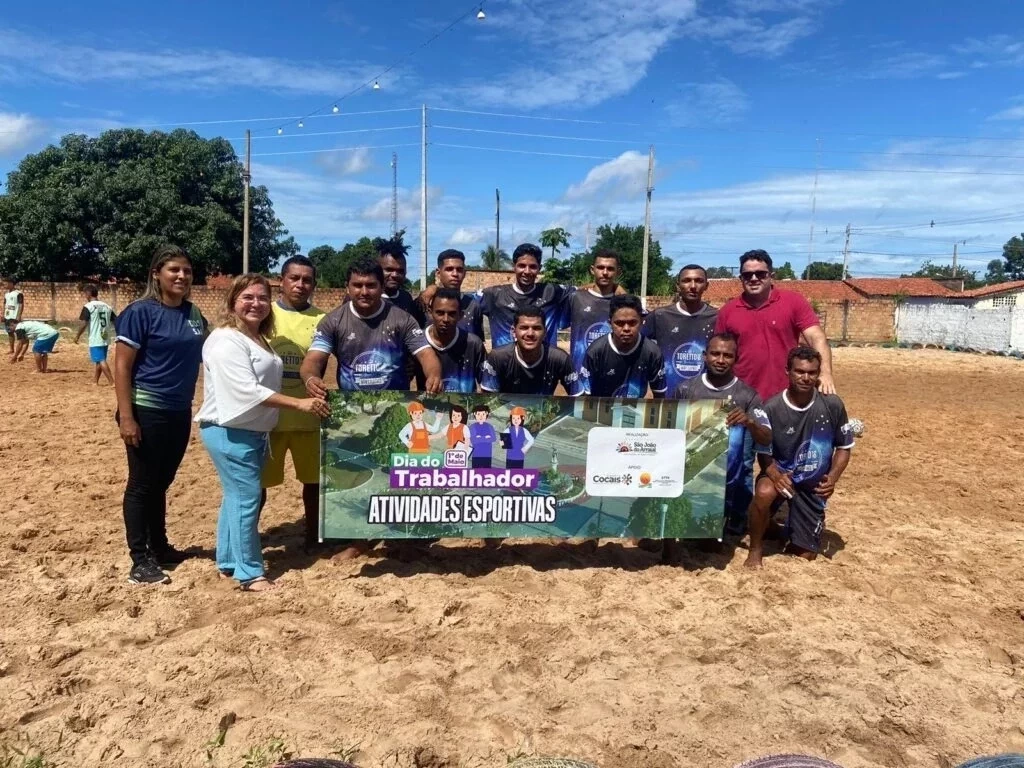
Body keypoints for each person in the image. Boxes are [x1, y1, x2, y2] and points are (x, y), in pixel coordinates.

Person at [196, 274, 331, 592]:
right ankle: (251, 573)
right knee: (247, 500)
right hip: (231, 430)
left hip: (250, 431)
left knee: (235, 498)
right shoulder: (226, 339)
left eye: (261, 298)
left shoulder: (255, 337)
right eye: (247, 297)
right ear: (232, 300)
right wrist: (300, 405)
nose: (255, 303)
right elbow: (247, 390)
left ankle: (228, 562)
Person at [114, 245, 207, 585]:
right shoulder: (140, 312)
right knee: (141, 484)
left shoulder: (194, 315)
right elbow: (122, 365)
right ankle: (140, 560)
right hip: (146, 409)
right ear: (157, 273)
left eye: (187, 271)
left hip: (178, 410)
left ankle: (161, 547)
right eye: (174, 270)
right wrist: (127, 416)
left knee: (161, 483)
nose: (182, 276)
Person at [745, 346, 854, 569]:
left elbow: (844, 447)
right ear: (788, 371)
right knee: (764, 492)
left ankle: (784, 530)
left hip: (812, 485)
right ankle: (755, 550)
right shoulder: (772, 407)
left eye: (812, 373)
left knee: (804, 554)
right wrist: (775, 475)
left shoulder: (832, 405)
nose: (805, 377)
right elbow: (764, 454)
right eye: (799, 371)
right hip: (782, 476)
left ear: (818, 374)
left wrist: (832, 477)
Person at [300, 256, 442, 396]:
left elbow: (426, 354)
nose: (364, 292)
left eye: (371, 285)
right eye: (357, 285)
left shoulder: (403, 319)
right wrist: (311, 378)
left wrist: (433, 375)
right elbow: (313, 360)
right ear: (347, 288)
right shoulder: (332, 321)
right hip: (351, 406)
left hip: (396, 404)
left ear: (381, 287)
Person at [259, 255, 326, 552]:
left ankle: (313, 537)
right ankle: (249, 538)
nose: (300, 284)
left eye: (307, 280)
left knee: (314, 484)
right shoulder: (263, 314)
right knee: (256, 487)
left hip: (308, 417)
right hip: (267, 417)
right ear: (282, 280)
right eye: (294, 278)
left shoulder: (323, 319)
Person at [674, 333, 771, 535]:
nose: (720, 360)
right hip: (690, 478)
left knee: (714, 545)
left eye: (727, 355)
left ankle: (732, 520)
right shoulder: (685, 389)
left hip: (728, 483)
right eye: (715, 353)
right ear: (704, 356)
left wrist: (750, 422)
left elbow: (766, 437)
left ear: (736, 358)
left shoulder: (747, 395)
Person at [715, 249, 835, 401]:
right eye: (747, 275)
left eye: (760, 274)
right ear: (741, 279)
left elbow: (816, 337)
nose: (753, 278)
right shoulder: (728, 311)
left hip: (787, 397)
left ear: (771, 277)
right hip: (742, 397)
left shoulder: (793, 302)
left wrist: (825, 373)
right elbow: (719, 353)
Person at [475, 243, 572, 347]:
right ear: (514, 267)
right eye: (522, 266)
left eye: (532, 267)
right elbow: (462, 304)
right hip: (505, 362)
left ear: (540, 268)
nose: (527, 271)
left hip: (544, 362)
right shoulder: (494, 295)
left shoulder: (552, 292)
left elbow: (585, 292)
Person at [642, 265, 718, 395]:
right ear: (678, 285)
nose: (693, 286)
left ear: (706, 286)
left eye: (699, 281)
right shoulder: (660, 316)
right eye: (686, 280)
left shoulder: (717, 317)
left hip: (704, 398)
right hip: (667, 397)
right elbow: (637, 347)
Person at [480, 307, 582, 396]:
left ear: (545, 332)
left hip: (542, 415)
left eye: (537, 328)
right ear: (513, 331)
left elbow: (579, 397)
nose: (530, 333)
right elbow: (487, 401)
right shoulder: (497, 357)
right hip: (506, 416)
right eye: (524, 328)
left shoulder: (560, 359)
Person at [581, 294, 667, 398]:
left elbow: (659, 396)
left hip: (635, 411)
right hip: (602, 412)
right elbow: (585, 397)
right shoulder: (595, 352)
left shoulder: (653, 353)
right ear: (610, 323)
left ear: (641, 322)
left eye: (632, 323)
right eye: (619, 323)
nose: (626, 328)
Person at [414, 288, 485, 393]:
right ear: (430, 313)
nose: (446, 319)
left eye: (452, 314)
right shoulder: (417, 342)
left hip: (464, 407)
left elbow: (487, 385)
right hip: (428, 407)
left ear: (460, 315)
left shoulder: (473, 344)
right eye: (440, 313)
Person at [568, 249, 625, 370]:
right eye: (600, 267)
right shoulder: (575, 298)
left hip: (612, 373)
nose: (605, 272)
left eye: (610, 269)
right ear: (592, 270)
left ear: (618, 272)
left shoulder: (624, 303)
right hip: (579, 374)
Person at [423, 249, 484, 337]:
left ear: (464, 273)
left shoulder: (473, 306)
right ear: (438, 273)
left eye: (459, 270)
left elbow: (478, 341)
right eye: (449, 269)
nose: (455, 274)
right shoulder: (425, 303)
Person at [377, 239, 426, 327]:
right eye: (389, 270)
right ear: (377, 270)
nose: (395, 275)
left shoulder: (406, 298)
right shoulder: (366, 298)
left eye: (400, 271)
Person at [75, 285, 116, 385]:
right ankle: (95, 382)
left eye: (85, 294)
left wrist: (77, 336)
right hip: (105, 336)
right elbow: (116, 321)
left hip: (96, 337)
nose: (85, 296)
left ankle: (112, 382)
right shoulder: (107, 306)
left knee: (101, 360)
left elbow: (84, 323)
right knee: (100, 359)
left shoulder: (88, 307)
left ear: (89, 294)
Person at [4, 277, 24, 356]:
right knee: (9, 332)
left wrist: (18, 316)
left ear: (11, 283)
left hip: (14, 316)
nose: (4, 285)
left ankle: (21, 349)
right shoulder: (6, 294)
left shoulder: (18, 293)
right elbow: (4, 304)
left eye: (6, 283)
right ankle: (11, 349)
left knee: (19, 333)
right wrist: (3, 314)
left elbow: (21, 305)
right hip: (7, 316)